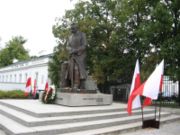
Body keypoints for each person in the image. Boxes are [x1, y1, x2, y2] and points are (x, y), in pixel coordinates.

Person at [65, 23, 87, 90]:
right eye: (71, 29)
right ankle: (68, 83)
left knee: (76, 68)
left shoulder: (82, 35)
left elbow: (84, 45)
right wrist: (71, 50)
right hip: (72, 55)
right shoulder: (70, 37)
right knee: (69, 69)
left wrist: (76, 50)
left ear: (76, 28)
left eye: (73, 28)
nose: (71, 30)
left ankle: (77, 84)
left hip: (80, 55)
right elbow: (67, 46)